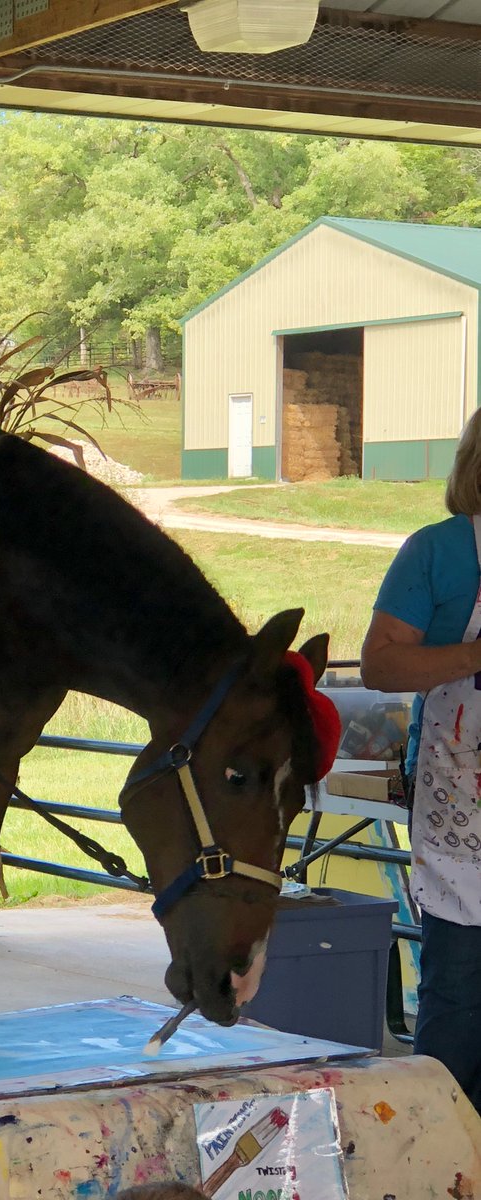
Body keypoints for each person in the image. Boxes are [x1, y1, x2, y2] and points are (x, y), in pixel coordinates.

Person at [361, 408, 481, 1115]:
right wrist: (471, 655)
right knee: (461, 997)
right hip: (461, 802)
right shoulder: (438, 553)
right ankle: (444, 1155)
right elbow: (379, 664)